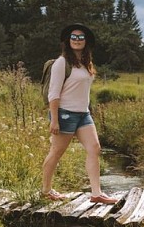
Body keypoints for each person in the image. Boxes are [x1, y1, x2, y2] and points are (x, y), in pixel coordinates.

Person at [41, 23, 118, 205]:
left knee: (95, 148)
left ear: (86, 41)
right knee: (56, 152)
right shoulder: (61, 63)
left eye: (80, 37)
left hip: (83, 114)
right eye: (73, 37)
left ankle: (96, 193)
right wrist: (54, 120)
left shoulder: (85, 63)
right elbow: (53, 93)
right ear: (68, 41)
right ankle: (45, 190)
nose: (77, 40)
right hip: (64, 114)